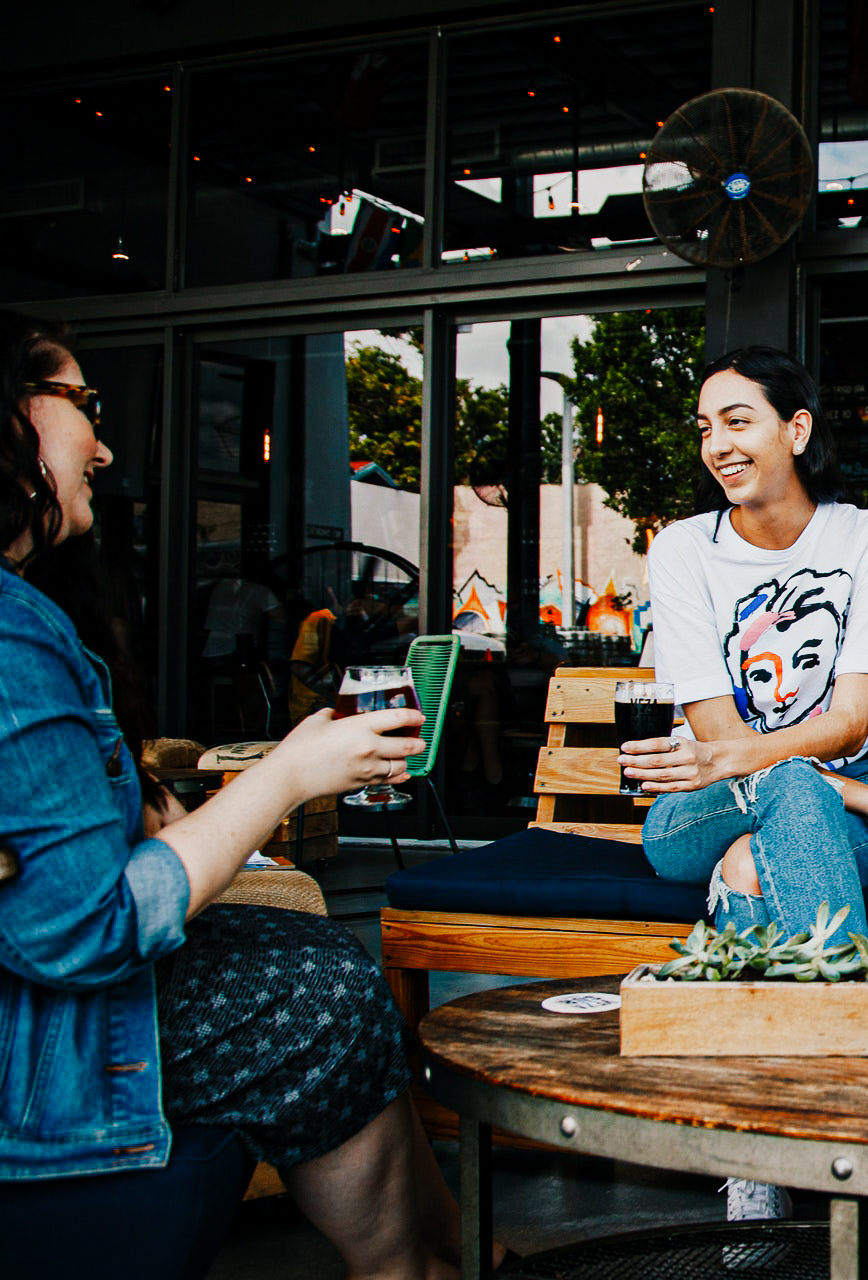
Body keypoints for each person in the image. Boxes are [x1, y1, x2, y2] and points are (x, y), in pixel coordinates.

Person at [0, 311, 487, 1280]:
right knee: (314, 991)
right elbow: (78, 926)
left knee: (310, 955)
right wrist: (285, 777)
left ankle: (447, 1249)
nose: (101, 443)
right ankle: (416, 1264)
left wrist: (207, 817)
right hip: (32, 1051)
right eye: (84, 407)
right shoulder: (11, 637)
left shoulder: (29, 612)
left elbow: (97, 825)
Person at [620, 345, 868, 1227]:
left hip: (803, 810)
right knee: (789, 797)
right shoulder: (682, 549)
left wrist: (839, 779)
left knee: (758, 865)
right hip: (691, 812)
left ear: (797, 429)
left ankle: (757, 1140)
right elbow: (714, 738)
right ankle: (859, 1107)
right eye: (706, 427)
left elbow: (851, 721)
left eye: (738, 420)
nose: (717, 443)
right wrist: (865, 796)